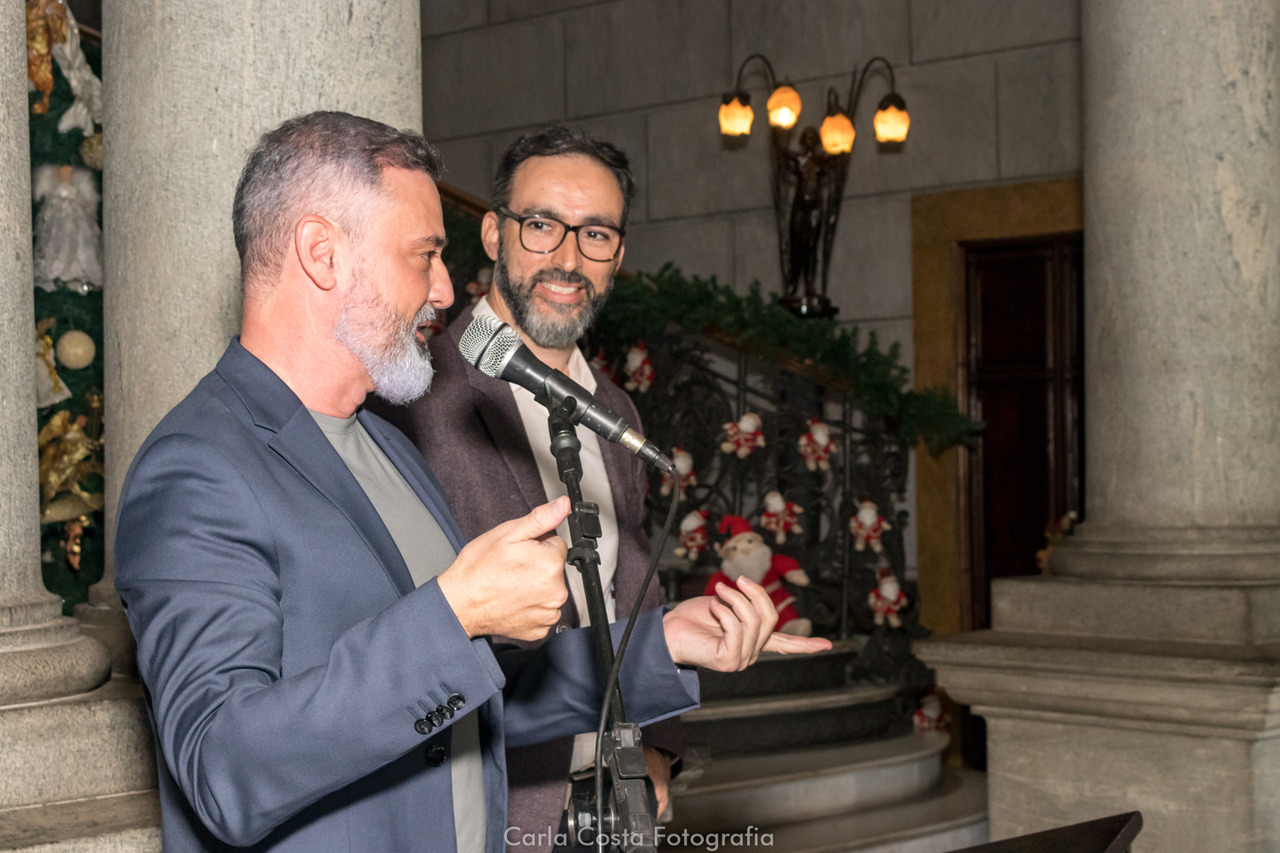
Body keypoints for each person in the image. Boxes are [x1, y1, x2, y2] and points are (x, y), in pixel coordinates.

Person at [113, 111, 830, 853]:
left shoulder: (387, 448)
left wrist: (655, 646)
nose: (447, 288)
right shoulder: (198, 468)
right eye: (424, 255)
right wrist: (453, 613)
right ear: (322, 254)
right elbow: (223, 768)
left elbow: (466, 695)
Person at [368, 126, 675, 851]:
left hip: (615, 811)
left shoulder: (615, 412)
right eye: (541, 226)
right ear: (493, 233)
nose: (568, 258)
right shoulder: (414, 393)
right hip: (489, 810)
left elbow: (635, 592)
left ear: (619, 256)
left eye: (595, 233)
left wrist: (658, 747)